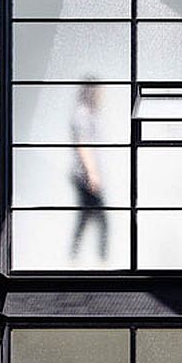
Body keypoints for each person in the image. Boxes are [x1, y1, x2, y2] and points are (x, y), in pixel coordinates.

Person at [70, 79, 109, 263]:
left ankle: (74, 257)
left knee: (86, 218)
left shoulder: (89, 114)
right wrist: (92, 174)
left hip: (85, 175)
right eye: (99, 92)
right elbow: (83, 144)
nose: (102, 96)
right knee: (102, 221)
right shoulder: (82, 114)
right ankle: (100, 262)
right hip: (84, 176)